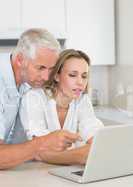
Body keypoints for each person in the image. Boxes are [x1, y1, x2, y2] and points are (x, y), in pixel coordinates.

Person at [0, 29, 80, 170]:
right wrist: (42, 143)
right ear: (20, 59)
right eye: (40, 68)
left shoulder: (27, 83)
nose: (46, 77)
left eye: (51, 69)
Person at [19, 49, 104, 165]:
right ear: (57, 76)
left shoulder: (82, 100)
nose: (80, 82)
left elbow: (97, 141)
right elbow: (39, 151)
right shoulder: (34, 97)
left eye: (84, 76)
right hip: (29, 172)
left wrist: (86, 153)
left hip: (61, 170)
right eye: (72, 75)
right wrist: (80, 155)